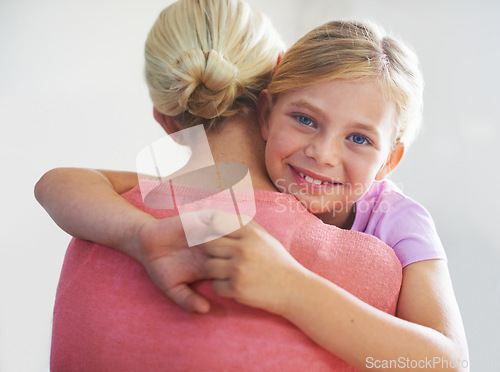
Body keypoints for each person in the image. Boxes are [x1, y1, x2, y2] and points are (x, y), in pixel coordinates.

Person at [35, 2, 468, 371]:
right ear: (266, 111)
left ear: (388, 162)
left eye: (359, 138)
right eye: (304, 119)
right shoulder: (221, 190)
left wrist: (290, 287)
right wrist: (142, 234)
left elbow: (446, 362)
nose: (322, 153)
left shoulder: (398, 221)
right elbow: (63, 182)